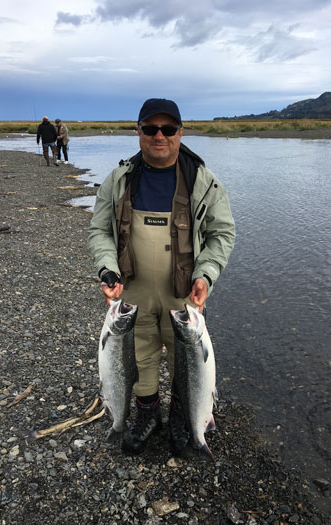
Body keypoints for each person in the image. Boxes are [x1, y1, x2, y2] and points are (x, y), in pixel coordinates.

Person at [88, 98, 235, 456]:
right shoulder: (119, 179)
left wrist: (206, 275)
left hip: (184, 294)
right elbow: (99, 231)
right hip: (132, 290)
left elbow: (223, 233)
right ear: (138, 132)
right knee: (139, 358)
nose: (159, 136)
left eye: (168, 129)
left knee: (189, 362)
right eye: (150, 128)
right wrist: (107, 267)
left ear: (180, 133)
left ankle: (186, 421)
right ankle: (147, 416)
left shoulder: (203, 180)